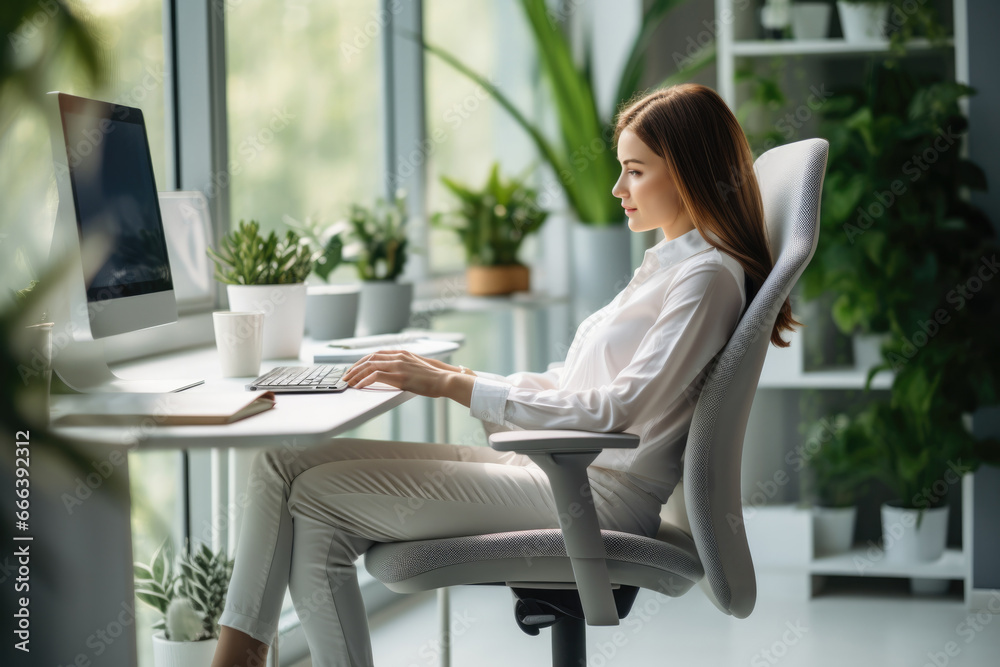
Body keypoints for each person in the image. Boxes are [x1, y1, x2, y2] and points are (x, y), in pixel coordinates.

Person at [210, 83, 799, 667]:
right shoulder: (672, 266)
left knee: (315, 502)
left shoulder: (705, 279)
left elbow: (612, 411)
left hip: (593, 495)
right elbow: (576, 386)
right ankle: (241, 655)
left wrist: (451, 386)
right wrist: (456, 373)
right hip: (561, 471)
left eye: (635, 171)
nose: (618, 188)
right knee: (283, 464)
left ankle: (235, 660)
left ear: (689, 174)